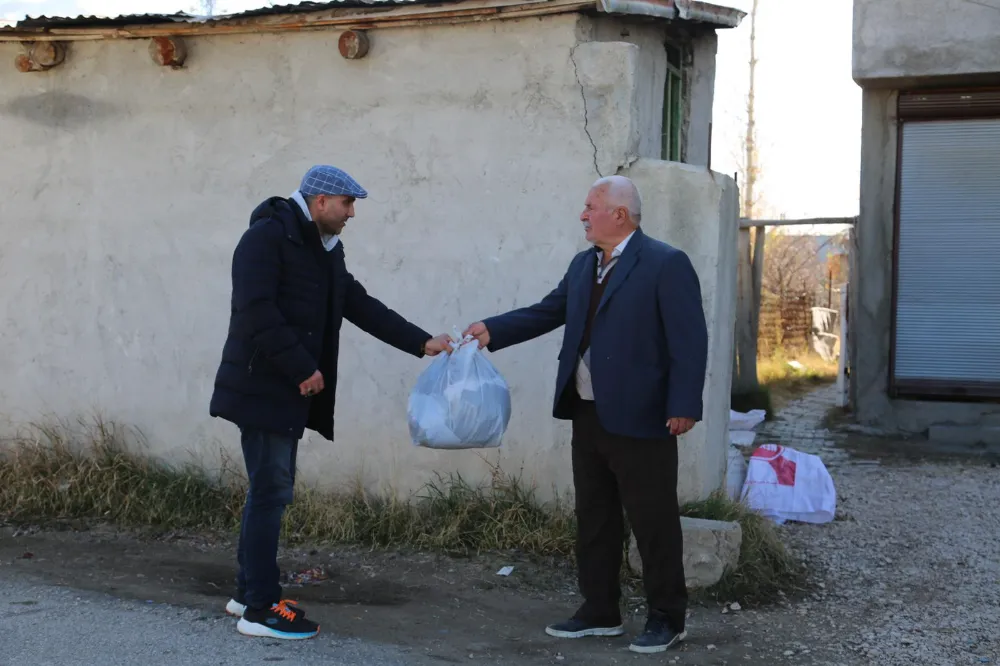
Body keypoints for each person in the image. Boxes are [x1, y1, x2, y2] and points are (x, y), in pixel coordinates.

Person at [463, 175, 708, 654]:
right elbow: (547, 311)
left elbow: (689, 339)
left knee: (653, 521)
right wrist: (491, 330)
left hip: (643, 415)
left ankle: (667, 617)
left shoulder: (665, 263)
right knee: (594, 517)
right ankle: (600, 610)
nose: (582, 215)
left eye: (590, 207)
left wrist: (684, 404)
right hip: (587, 411)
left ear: (619, 214)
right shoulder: (583, 265)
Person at [210, 165, 451, 640]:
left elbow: (356, 302)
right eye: (347, 203)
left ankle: (247, 592)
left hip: (284, 389)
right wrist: (301, 367)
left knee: (267, 491)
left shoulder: (323, 248)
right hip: (262, 387)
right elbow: (256, 311)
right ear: (320, 201)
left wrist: (422, 342)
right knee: (271, 493)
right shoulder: (265, 239)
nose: (352, 214)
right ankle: (260, 609)